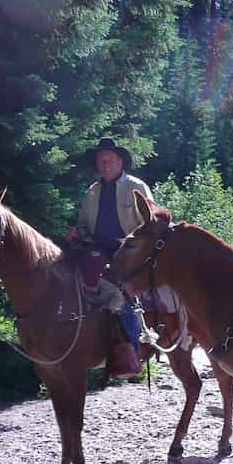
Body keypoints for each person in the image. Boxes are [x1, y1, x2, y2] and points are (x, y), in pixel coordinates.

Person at [68, 137, 152, 376]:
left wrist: (131, 242)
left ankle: (132, 352)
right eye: (100, 160)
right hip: (98, 250)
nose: (104, 164)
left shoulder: (136, 187)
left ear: (120, 161)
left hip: (129, 253)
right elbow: (84, 225)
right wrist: (78, 232)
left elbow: (151, 223)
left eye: (109, 160)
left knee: (121, 294)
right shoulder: (92, 192)